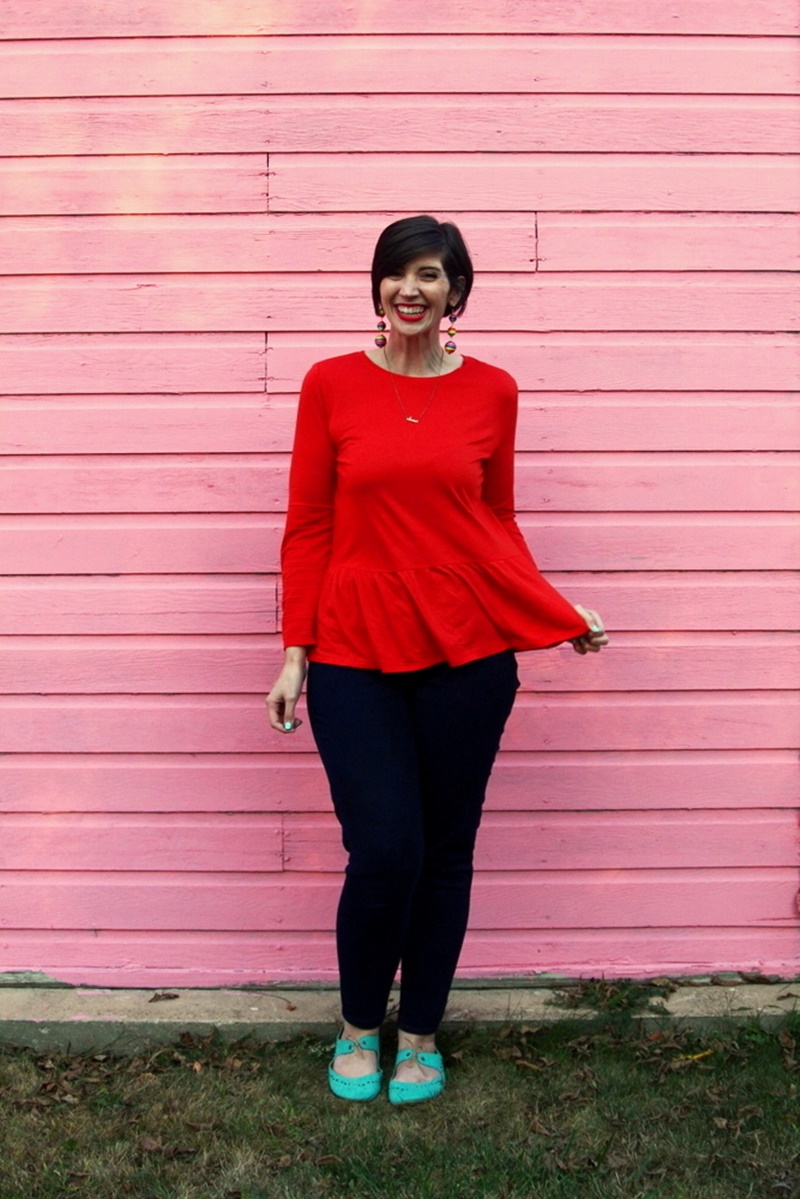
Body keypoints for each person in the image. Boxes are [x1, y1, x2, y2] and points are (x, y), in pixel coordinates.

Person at [266, 215, 608, 1105]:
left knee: (446, 848)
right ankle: (357, 1028)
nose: (409, 290)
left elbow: (494, 521)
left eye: (429, 275)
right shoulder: (330, 384)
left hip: (468, 655)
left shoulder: (493, 391)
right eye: (395, 274)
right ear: (376, 287)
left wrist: (551, 608)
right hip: (353, 651)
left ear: (457, 292)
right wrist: (295, 651)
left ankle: (420, 1033)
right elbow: (309, 526)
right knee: (385, 847)